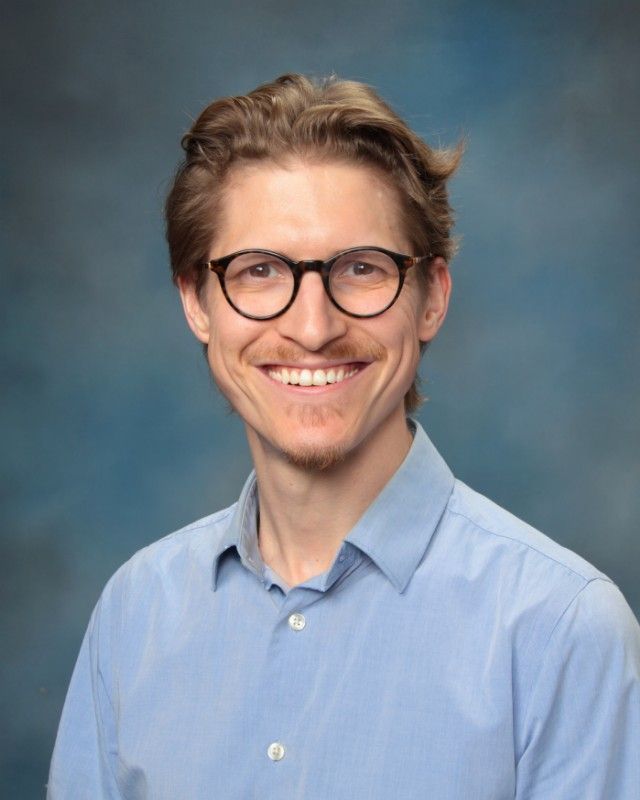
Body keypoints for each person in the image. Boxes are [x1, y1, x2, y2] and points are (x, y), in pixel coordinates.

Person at [48, 74, 640, 799]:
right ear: (197, 303)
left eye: (360, 269)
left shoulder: (561, 633)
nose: (313, 327)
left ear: (432, 297)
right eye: (259, 271)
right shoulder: (134, 615)